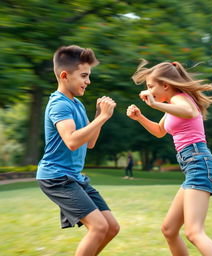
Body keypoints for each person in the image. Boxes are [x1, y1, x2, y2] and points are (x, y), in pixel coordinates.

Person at [127, 59, 212, 256]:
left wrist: (154, 104)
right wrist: (140, 117)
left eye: (151, 86)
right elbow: (160, 131)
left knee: (194, 232)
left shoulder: (182, 99)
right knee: (169, 230)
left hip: (199, 163)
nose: (149, 91)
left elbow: (188, 111)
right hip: (193, 165)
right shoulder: (172, 104)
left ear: (165, 84)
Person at [36, 45, 119, 256]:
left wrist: (99, 116)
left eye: (88, 76)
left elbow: (89, 143)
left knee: (111, 227)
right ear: (64, 75)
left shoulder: (78, 105)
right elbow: (72, 141)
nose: (88, 81)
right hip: (56, 177)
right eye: (84, 76)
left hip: (74, 177)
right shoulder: (59, 105)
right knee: (99, 227)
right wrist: (102, 117)